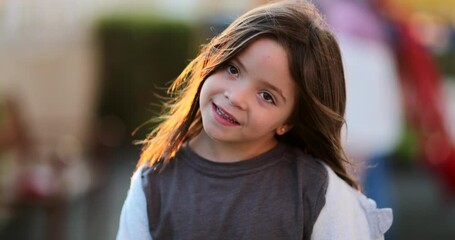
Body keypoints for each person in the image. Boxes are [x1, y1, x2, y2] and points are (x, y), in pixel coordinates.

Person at [116, 1, 393, 239]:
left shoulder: (317, 189)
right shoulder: (152, 186)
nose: (236, 97)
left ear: (289, 120)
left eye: (266, 96)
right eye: (233, 69)